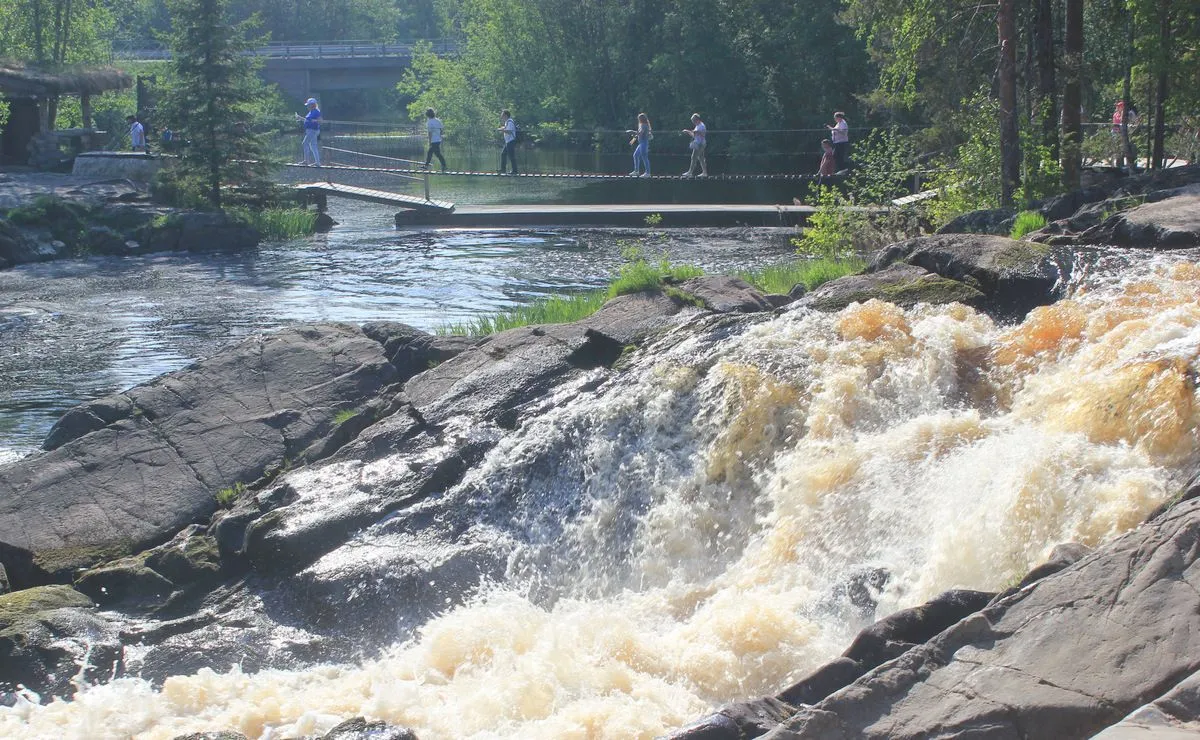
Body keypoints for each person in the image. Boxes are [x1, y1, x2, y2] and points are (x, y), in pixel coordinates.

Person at [296, 98, 322, 166]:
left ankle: (306, 161)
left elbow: (320, 120)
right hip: (310, 130)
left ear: (312, 105)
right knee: (313, 146)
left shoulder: (316, 111)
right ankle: (317, 162)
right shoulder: (311, 111)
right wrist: (300, 118)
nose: (307, 106)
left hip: (313, 130)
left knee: (305, 143)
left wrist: (314, 121)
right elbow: (308, 120)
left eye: (308, 105)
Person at [681, 113, 707, 178]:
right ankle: (705, 172)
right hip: (698, 143)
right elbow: (694, 135)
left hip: (700, 144)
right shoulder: (697, 126)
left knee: (693, 157)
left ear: (697, 120)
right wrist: (687, 131)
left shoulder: (702, 126)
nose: (693, 123)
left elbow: (703, 135)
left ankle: (690, 172)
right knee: (701, 158)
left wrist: (697, 132)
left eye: (694, 121)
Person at [628, 113, 652, 177]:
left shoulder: (644, 125)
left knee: (644, 158)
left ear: (641, 119)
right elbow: (638, 134)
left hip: (644, 143)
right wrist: (633, 140)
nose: (638, 119)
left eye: (639, 118)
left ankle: (648, 173)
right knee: (635, 155)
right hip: (641, 143)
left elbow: (640, 133)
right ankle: (636, 171)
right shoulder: (641, 125)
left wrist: (632, 131)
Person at [498, 109, 517, 174]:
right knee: (503, 154)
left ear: (505, 115)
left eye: (502, 115)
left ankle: (515, 171)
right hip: (508, 142)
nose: (501, 117)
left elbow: (509, 131)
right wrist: (501, 128)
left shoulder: (510, 122)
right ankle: (503, 170)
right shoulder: (507, 122)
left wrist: (501, 130)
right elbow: (506, 128)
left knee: (511, 156)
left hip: (511, 141)